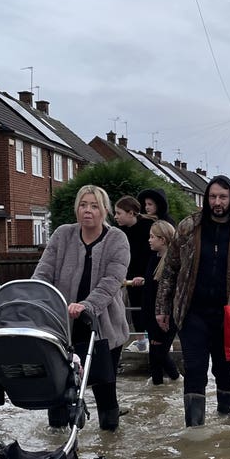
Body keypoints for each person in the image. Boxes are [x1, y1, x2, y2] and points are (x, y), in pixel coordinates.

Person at [155, 174, 230, 427]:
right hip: (192, 313)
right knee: (194, 371)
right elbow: (170, 270)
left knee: (225, 371)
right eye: (212, 197)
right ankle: (195, 433)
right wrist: (162, 308)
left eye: (222, 197)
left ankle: (226, 423)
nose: (217, 202)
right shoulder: (189, 227)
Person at [33, 184, 130, 431]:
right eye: (83, 205)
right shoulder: (62, 235)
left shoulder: (117, 239)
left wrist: (86, 306)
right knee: (58, 386)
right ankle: (57, 438)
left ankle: (110, 438)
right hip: (63, 325)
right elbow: (43, 272)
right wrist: (38, 298)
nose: (88, 211)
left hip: (102, 327)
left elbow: (112, 281)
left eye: (94, 206)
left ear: (105, 210)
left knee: (104, 388)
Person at [136, 219, 180, 385]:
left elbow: (168, 291)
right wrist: (144, 280)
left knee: (158, 354)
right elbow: (154, 284)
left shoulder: (171, 262)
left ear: (162, 240)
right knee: (155, 355)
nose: (149, 239)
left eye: (152, 236)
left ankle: (174, 381)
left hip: (164, 317)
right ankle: (159, 389)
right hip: (151, 314)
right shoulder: (154, 258)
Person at [113, 195, 152, 341]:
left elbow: (155, 256)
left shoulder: (148, 227)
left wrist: (146, 277)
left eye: (119, 213)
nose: (116, 217)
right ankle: (141, 341)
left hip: (148, 277)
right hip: (129, 277)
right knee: (135, 309)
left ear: (131, 213)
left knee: (149, 308)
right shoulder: (118, 231)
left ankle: (155, 340)